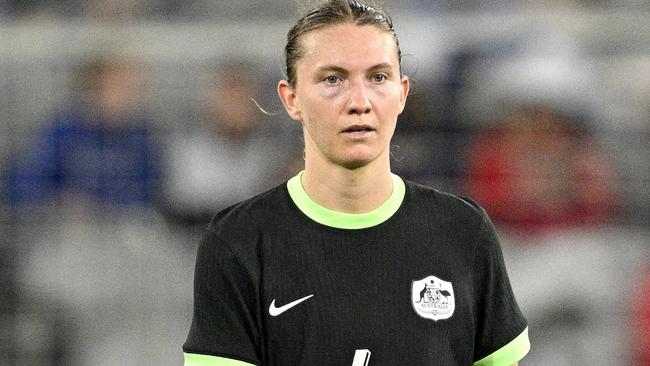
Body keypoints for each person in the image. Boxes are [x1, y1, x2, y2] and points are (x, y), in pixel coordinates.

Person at [183, 1, 530, 365]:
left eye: (378, 77)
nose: (359, 102)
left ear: (402, 93)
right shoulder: (238, 242)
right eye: (333, 79)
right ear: (291, 98)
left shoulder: (463, 232)